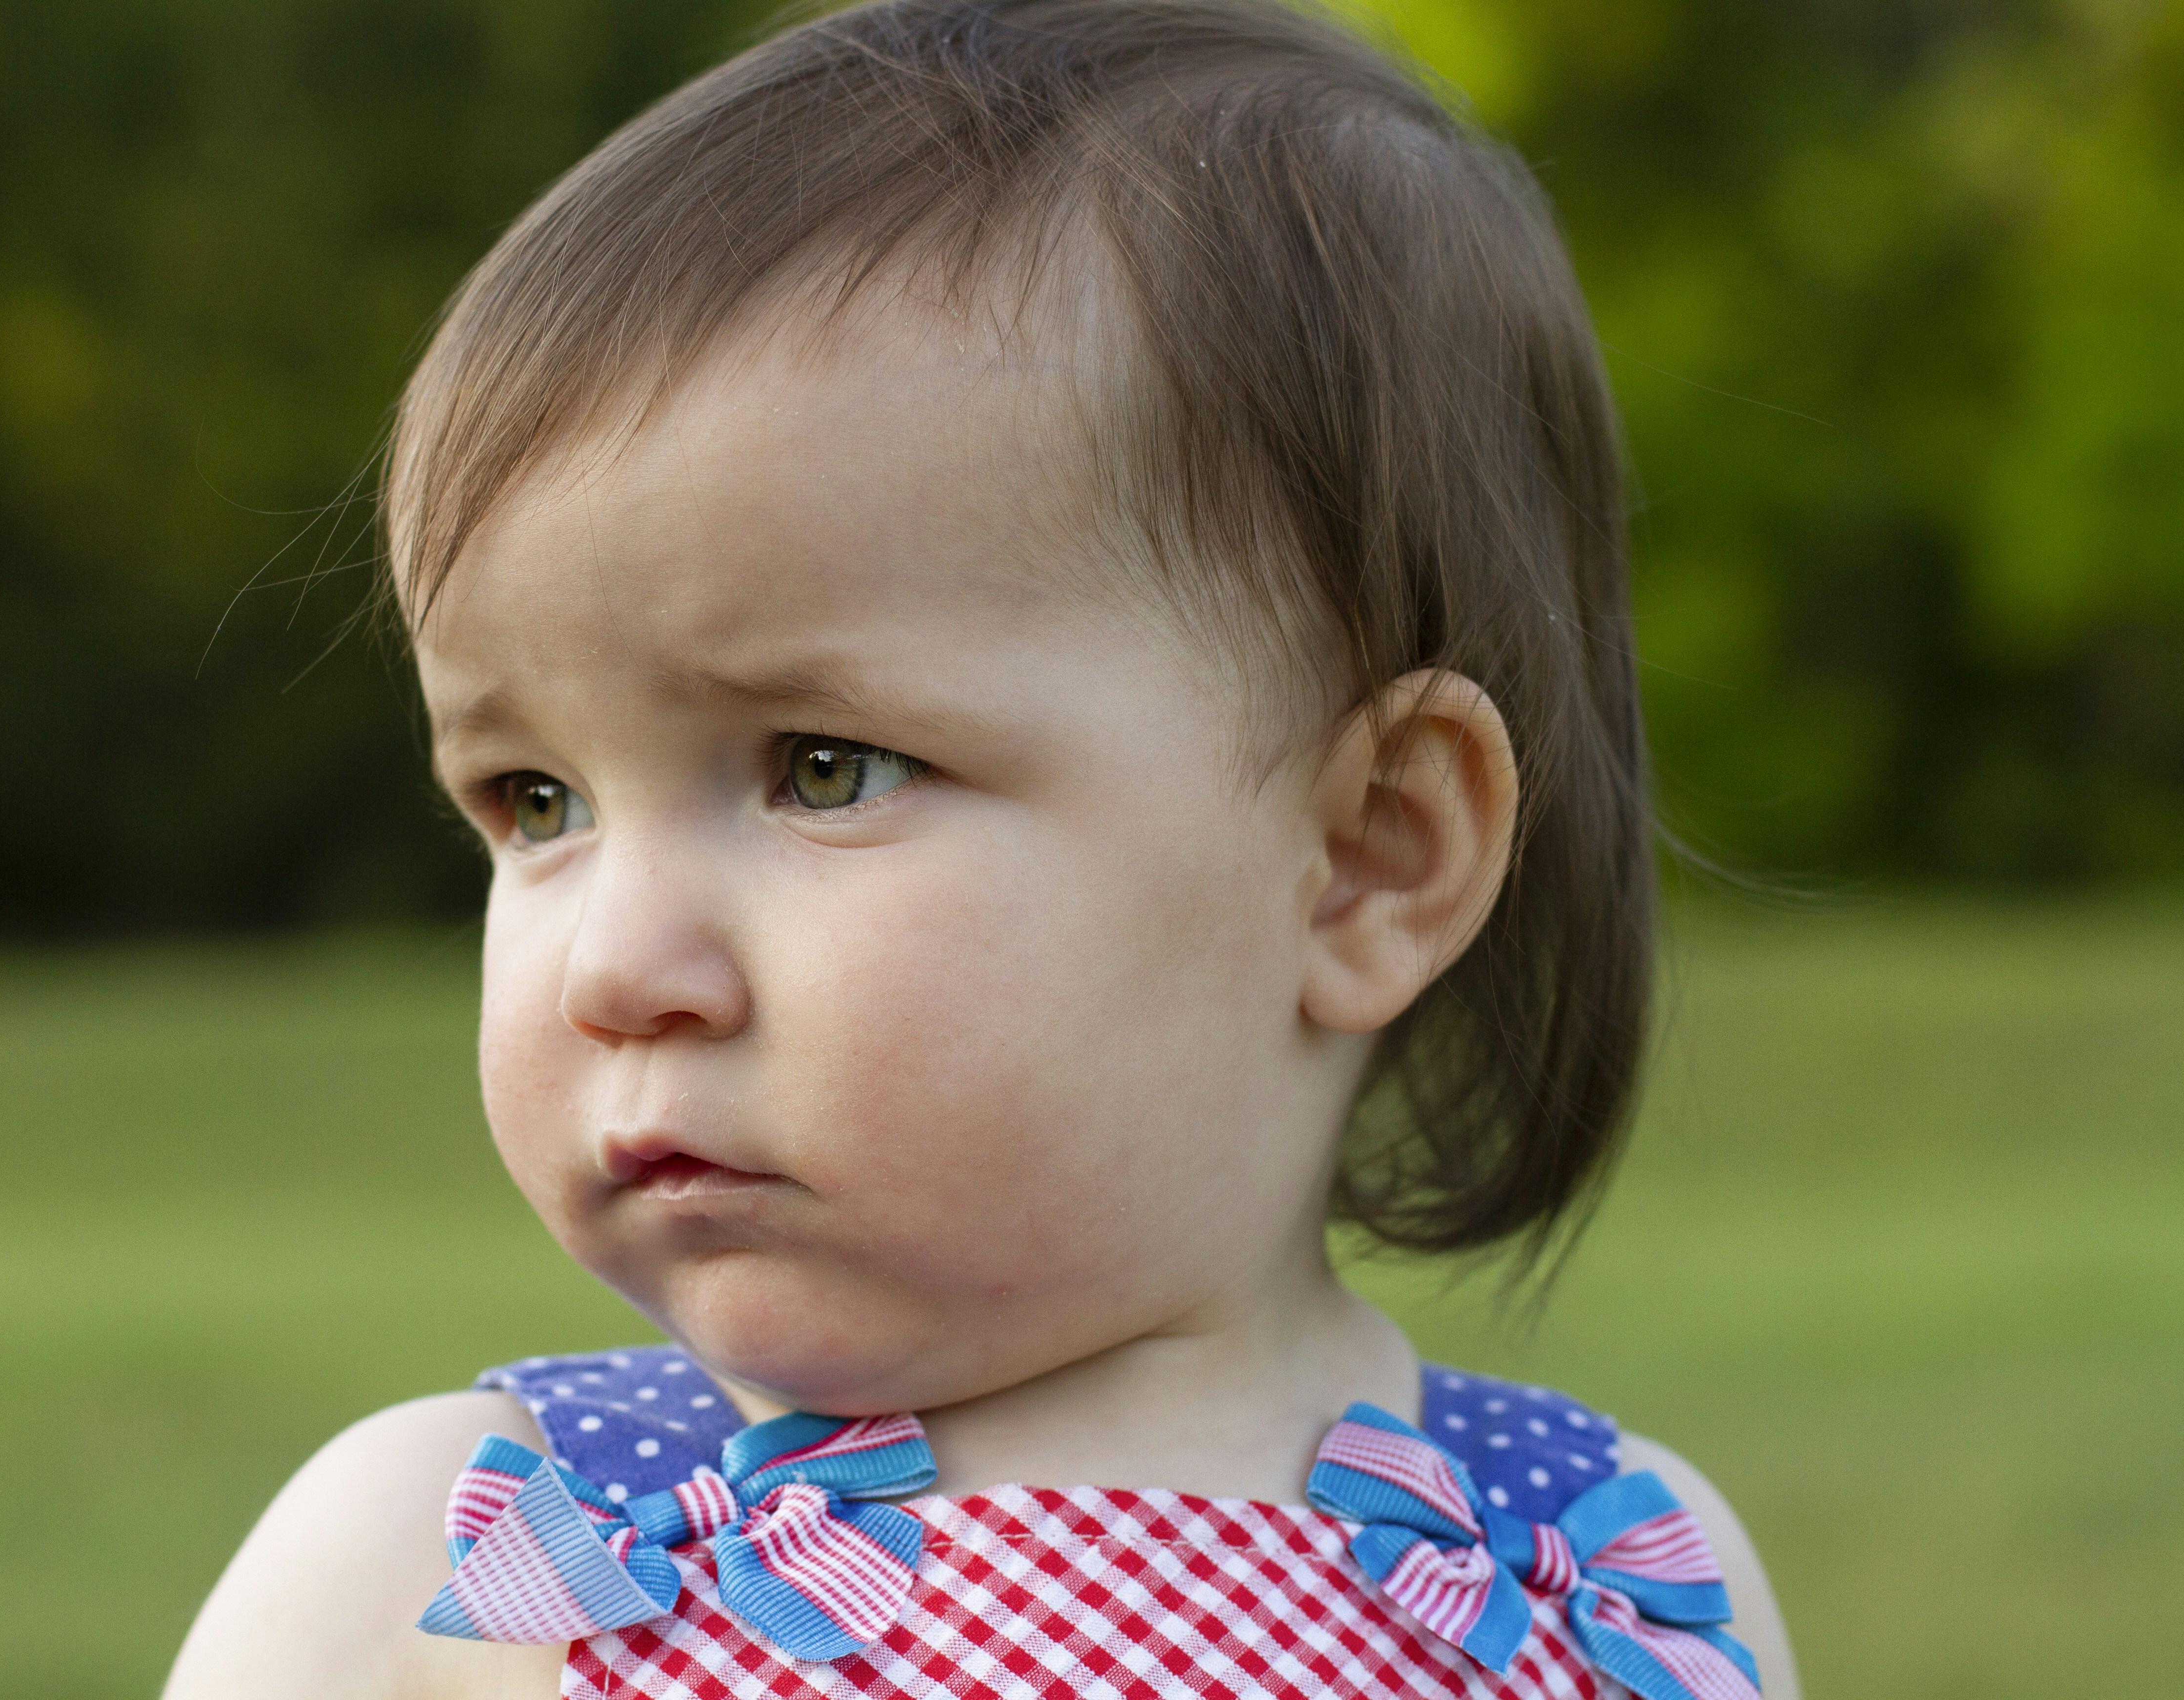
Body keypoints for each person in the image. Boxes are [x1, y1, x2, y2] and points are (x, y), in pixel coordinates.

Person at [164, 0, 1799, 1694]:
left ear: (1370, 856)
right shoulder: (467, 1566)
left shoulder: (1612, 1578)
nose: (617, 968)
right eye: (536, 802)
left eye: (822, 767)